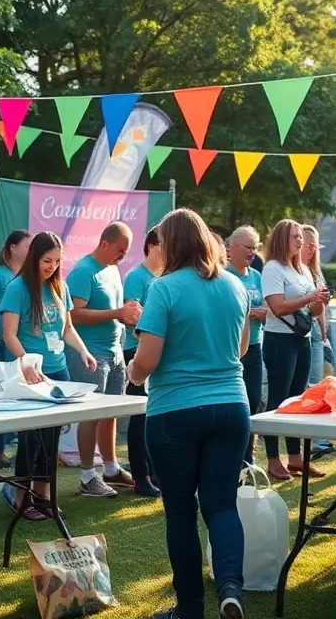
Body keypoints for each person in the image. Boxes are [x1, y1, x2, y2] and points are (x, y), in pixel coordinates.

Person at [127, 208, 250, 619]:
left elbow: (146, 360)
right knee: (222, 505)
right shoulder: (235, 285)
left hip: (175, 410)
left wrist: (132, 371)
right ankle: (230, 587)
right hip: (232, 405)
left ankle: (190, 608)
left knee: (181, 511)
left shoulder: (163, 289)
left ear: (171, 244)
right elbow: (242, 349)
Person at [0, 232, 96, 519]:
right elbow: (9, 335)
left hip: (58, 371)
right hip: (31, 374)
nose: (52, 266)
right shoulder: (17, 289)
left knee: (51, 438)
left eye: (56, 261)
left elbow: (66, 329)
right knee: (31, 438)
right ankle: (21, 499)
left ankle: (43, 497)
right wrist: (25, 362)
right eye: (46, 260)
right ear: (34, 258)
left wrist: (83, 351)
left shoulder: (59, 287)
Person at [67, 222, 142, 498]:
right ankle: (88, 476)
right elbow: (73, 315)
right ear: (104, 243)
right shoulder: (83, 271)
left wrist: (127, 316)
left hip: (113, 350)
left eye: (126, 252)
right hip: (91, 352)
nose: (123, 256)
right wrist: (117, 313)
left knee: (110, 412)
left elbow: (114, 311)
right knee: (90, 416)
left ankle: (110, 468)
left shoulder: (112, 269)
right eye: (120, 250)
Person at [260, 219, 330, 481]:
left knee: (296, 401)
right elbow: (277, 307)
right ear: (281, 239)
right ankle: (272, 459)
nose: (300, 241)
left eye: (301, 236)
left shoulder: (302, 269)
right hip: (280, 340)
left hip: (302, 338)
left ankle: (296, 459)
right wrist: (311, 298)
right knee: (277, 399)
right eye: (294, 237)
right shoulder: (273, 269)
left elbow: (313, 312)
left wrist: (319, 301)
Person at [122, 227, 163, 497]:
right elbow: (131, 316)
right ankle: (140, 475)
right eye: (164, 244)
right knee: (139, 416)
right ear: (150, 246)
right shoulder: (137, 276)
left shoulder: (165, 277)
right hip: (136, 351)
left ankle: (155, 471)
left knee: (155, 416)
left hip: (159, 352)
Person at [0, 228, 32, 453]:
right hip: (2, 343)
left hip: (20, 342)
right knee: (1, 393)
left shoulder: (26, 276)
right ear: (13, 248)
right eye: (27, 246)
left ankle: (17, 444)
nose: (31, 250)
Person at [226, 226, 266, 464]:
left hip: (255, 346)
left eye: (255, 247)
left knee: (253, 401)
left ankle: (248, 456)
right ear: (232, 248)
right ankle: (233, 455)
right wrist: (246, 313)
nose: (252, 252)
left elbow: (269, 304)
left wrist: (263, 313)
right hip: (233, 348)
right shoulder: (224, 276)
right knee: (235, 404)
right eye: (248, 247)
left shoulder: (256, 276)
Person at [301, 225, 333, 385]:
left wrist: (324, 334)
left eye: (315, 246)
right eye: (309, 245)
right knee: (302, 383)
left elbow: (321, 307)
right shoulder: (292, 271)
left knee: (316, 383)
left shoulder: (315, 270)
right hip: (301, 330)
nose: (313, 250)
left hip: (317, 332)